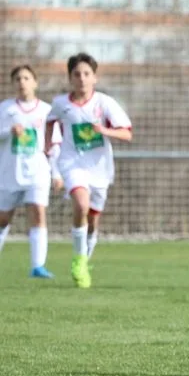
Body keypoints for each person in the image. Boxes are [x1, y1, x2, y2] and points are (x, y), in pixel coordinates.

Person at [45, 52, 133, 289]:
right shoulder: (61, 103)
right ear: (70, 77)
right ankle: (78, 260)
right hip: (72, 163)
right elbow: (50, 120)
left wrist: (105, 131)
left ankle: (85, 257)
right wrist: (47, 146)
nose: (82, 78)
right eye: (77, 74)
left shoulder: (104, 103)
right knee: (81, 205)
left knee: (93, 220)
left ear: (94, 78)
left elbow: (127, 133)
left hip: (100, 168)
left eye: (86, 74)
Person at [0, 65, 61, 278]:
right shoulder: (5, 109)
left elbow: (53, 145)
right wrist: (9, 132)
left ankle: (38, 266)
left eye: (26, 78)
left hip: (38, 172)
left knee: (38, 212)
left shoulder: (46, 111)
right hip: (10, 172)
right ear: (13, 83)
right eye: (17, 78)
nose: (22, 82)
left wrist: (57, 173)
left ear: (35, 82)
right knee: (3, 218)